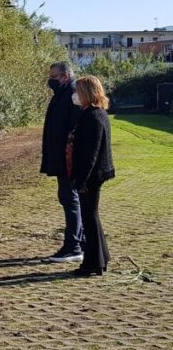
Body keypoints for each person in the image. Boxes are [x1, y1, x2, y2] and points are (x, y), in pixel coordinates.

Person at [66, 76, 115, 277]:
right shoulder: (95, 114)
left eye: (78, 91)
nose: (75, 96)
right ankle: (101, 257)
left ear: (87, 93)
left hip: (91, 175)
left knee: (90, 218)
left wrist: (82, 180)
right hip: (93, 174)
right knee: (91, 217)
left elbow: (90, 153)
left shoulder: (93, 117)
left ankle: (92, 263)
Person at [41, 62, 84, 263]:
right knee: (69, 198)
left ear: (65, 76)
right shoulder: (63, 92)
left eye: (54, 76)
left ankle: (74, 246)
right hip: (62, 157)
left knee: (70, 199)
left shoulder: (74, 93)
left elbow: (78, 126)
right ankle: (79, 241)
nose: (51, 80)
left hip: (68, 159)